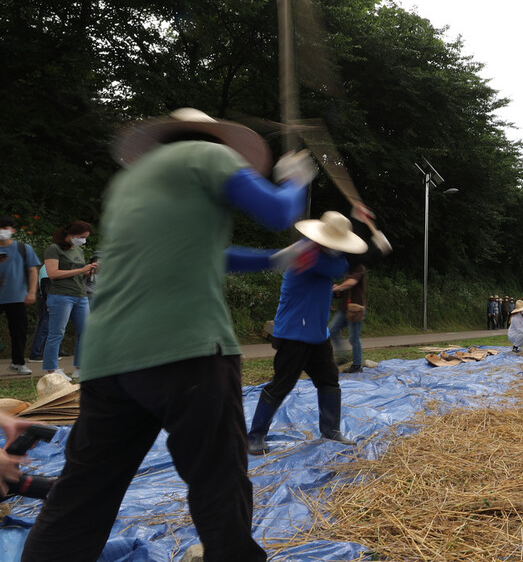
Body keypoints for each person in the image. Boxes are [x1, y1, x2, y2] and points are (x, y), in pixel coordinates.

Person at [21, 108, 316, 562]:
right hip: (186, 349)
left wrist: (276, 259)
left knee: (84, 490)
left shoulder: (130, 184)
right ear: (214, 140)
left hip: (109, 359)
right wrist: (294, 180)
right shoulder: (207, 155)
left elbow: (209, 254)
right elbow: (277, 211)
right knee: (218, 481)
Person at [248, 210, 390, 454]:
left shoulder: (324, 252)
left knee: (329, 380)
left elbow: (347, 258)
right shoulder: (307, 254)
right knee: (282, 385)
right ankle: (254, 437)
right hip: (293, 334)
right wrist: (376, 249)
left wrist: (362, 227)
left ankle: (331, 431)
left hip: (317, 334)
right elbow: (344, 264)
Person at [329, 212, 391, 374]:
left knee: (353, 338)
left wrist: (337, 288)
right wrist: (337, 291)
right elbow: (346, 285)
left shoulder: (359, 267)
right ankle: (343, 355)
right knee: (332, 331)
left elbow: (351, 283)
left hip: (356, 308)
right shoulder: (348, 268)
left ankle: (357, 365)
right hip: (345, 308)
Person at [41, 221, 97, 380]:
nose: (83, 241)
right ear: (71, 234)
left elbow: (77, 274)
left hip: (80, 295)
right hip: (61, 295)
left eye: (85, 238)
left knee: (85, 332)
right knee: (57, 332)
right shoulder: (54, 249)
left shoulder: (78, 250)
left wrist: (88, 272)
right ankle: (52, 370)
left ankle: (80, 367)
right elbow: (53, 274)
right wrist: (81, 269)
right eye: (81, 237)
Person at [0, 215, 41, 375]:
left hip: (17, 296)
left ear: (13, 230)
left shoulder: (23, 248)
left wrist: (32, 292)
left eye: (6, 228)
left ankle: (18, 363)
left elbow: (32, 270)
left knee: (19, 331)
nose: (3, 231)